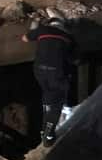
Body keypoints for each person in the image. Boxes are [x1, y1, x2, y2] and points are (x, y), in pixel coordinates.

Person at [22, 11, 76, 146]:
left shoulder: (42, 30)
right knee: (57, 101)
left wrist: (35, 29)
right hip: (55, 72)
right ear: (63, 26)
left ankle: (44, 126)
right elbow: (77, 59)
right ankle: (48, 134)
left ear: (50, 22)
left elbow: (24, 38)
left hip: (39, 70)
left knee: (48, 95)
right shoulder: (68, 37)